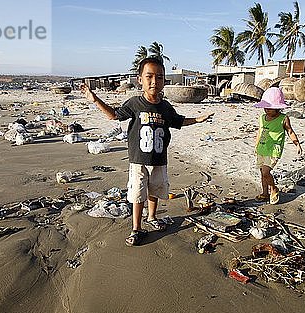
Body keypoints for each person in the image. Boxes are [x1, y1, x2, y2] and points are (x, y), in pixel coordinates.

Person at [81, 57, 214, 246]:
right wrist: (95, 100)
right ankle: (136, 228)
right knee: (138, 193)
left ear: (164, 81)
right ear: (140, 79)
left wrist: (198, 119)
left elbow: (179, 121)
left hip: (159, 159)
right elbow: (113, 115)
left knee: (154, 190)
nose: (154, 81)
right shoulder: (134, 103)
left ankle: (152, 217)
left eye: (159, 77)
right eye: (149, 76)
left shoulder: (166, 107)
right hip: (138, 160)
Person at [254, 87, 302, 205]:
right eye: (265, 107)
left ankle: (273, 188)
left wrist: (297, 144)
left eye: (270, 108)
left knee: (266, 172)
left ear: (278, 108)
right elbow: (260, 132)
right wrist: (256, 146)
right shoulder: (262, 118)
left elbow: (290, 132)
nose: (266, 110)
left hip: (274, 150)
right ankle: (265, 193)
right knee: (262, 173)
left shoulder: (283, 119)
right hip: (262, 148)